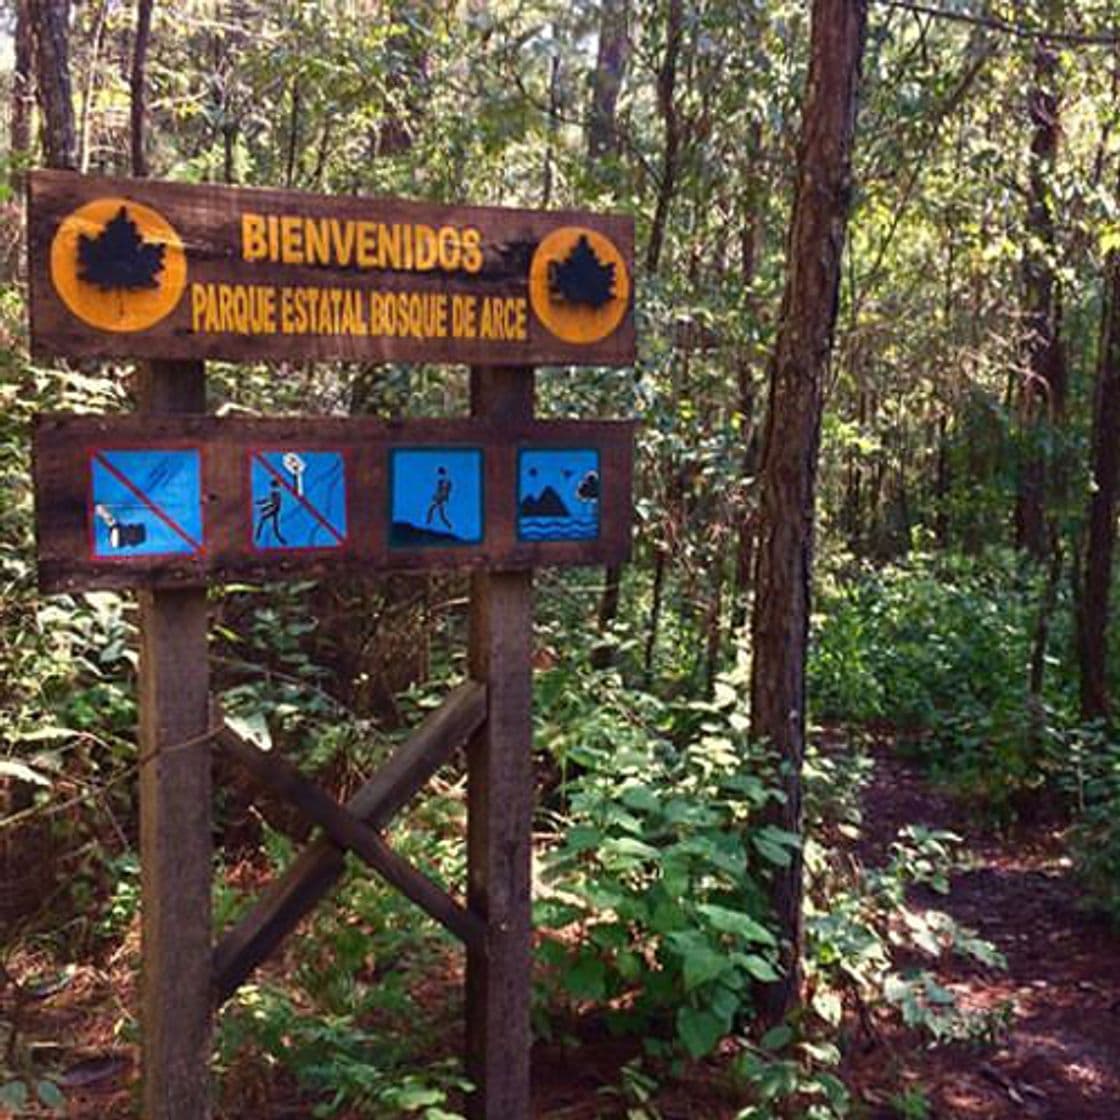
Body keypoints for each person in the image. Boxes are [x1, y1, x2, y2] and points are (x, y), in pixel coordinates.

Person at [255, 478, 286, 544]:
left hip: (274, 510)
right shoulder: (274, 493)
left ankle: (257, 536)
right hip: (274, 510)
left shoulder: (276, 493)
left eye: (272, 486)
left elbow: (273, 503)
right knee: (274, 527)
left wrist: (264, 508)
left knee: (273, 526)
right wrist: (260, 502)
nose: (271, 488)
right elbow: (268, 500)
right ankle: (257, 536)